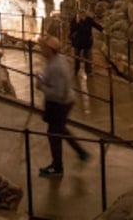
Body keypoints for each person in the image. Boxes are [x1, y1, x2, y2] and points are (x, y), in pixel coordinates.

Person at [36, 34, 89, 176]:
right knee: (60, 129)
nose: (41, 50)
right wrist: (43, 78)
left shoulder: (56, 66)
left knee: (54, 135)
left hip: (60, 103)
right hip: (64, 101)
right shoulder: (55, 60)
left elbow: (58, 93)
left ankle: (57, 168)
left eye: (43, 47)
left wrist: (41, 87)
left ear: (50, 49)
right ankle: (82, 153)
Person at [68, 10, 103, 77]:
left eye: (83, 14)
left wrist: (102, 29)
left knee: (88, 57)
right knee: (77, 57)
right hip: (78, 42)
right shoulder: (75, 20)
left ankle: (88, 72)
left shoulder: (88, 19)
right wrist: (78, 23)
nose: (82, 16)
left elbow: (95, 24)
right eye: (81, 14)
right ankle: (76, 70)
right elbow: (73, 29)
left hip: (87, 41)